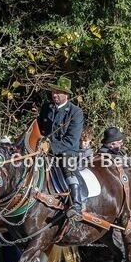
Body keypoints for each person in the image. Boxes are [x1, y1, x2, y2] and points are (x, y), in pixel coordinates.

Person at [37, 77, 85, 217]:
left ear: (66, 94)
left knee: (67, 167)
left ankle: (76, 204)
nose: (54, 94)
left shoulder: (75, 112)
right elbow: (38, 129)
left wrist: (50, 147)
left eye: (58, 92)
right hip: (44, 150)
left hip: (67, 151)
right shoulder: (46, 107)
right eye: (53, 91)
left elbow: (71, 140)